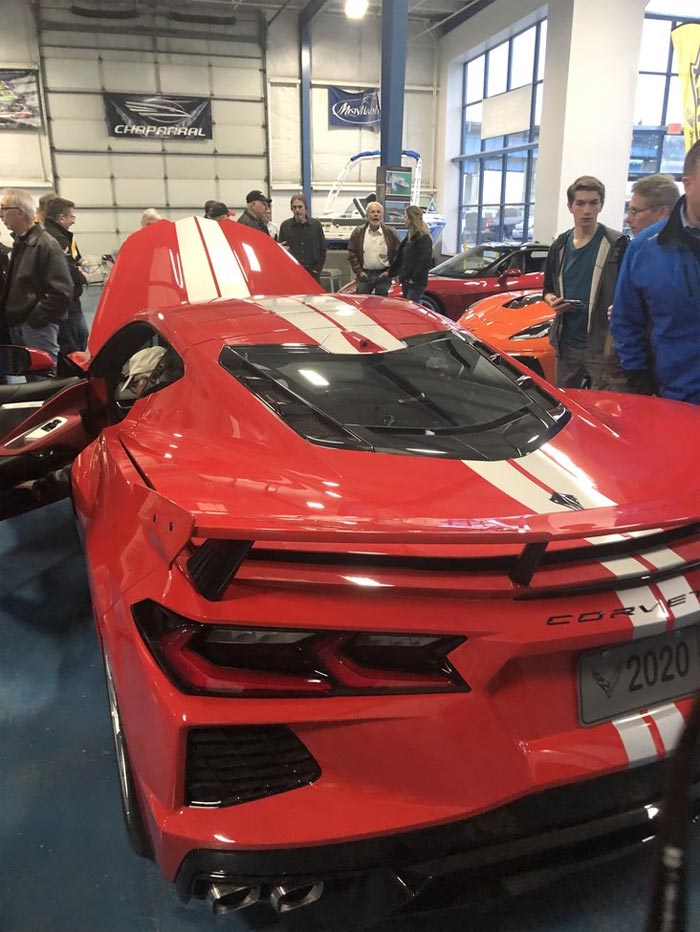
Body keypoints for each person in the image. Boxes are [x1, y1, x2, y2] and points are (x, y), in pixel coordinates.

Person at [611, 141, 700, 403]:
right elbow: (626, 320)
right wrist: (639, 381)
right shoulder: (645, 248)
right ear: (688, 183)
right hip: (675, 396)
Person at [542, 175, 628, 389]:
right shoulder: (560, 245)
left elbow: (631, 291)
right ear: (570, 206)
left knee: (603, 406)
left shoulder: (617, 244)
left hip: (602, 345)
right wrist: (553, 301)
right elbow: (547, 289)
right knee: (566, 402)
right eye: (580, 203)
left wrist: (621, 308)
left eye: (593, 203)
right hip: (566, 342)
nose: (587, 210)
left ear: (601, 205)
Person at [0, 188, 72, 365]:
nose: (1, 215)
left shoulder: (45, 244)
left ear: (20, 212)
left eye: (4, 208)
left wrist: (34, 320)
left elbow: (62, 291)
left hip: (37, 327)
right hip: (22, 325)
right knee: (33, 382)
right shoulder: (22, 242)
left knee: (43, 381)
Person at [43, 196, 89, 353]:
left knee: (80, 336)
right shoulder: (57, 239)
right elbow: (67, 269)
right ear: (61, 218)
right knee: (73, 343)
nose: (73, 221)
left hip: (66, 302)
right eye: (71, 217)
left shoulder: (52, 235)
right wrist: (82, 277)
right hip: (66, 302)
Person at [347, 201, 400, 296]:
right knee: (362, 305)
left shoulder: (390, 232)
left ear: (382, 215)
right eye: (372, 212)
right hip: (364, 276)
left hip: (383, 276)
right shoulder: (358, 232)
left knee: (382, 306)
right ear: (367, 215)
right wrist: (359, 271)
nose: (376, 214)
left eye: (378, 212)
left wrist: (390, 272)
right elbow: (352, 253)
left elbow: (398, 254)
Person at [278, 194, 326, 283]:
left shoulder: (316, 225)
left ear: (305, 208)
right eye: (294, 207)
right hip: (292, 274)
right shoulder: (285, 226)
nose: (297, 210)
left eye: (300, 207)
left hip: (312, 274)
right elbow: (280, 251)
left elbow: (322, 250)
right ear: (291, 209)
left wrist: (317, 270)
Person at [390, 205, 433, 302]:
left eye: (405, 217)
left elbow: (424, 261)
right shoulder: (409, 237)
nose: (403, 219)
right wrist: (393, 273)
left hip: (415, 282)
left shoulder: (424, 238)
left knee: (412, 306)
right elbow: (401, 257)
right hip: (407, 280)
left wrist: (413, 278)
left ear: (411, 219)